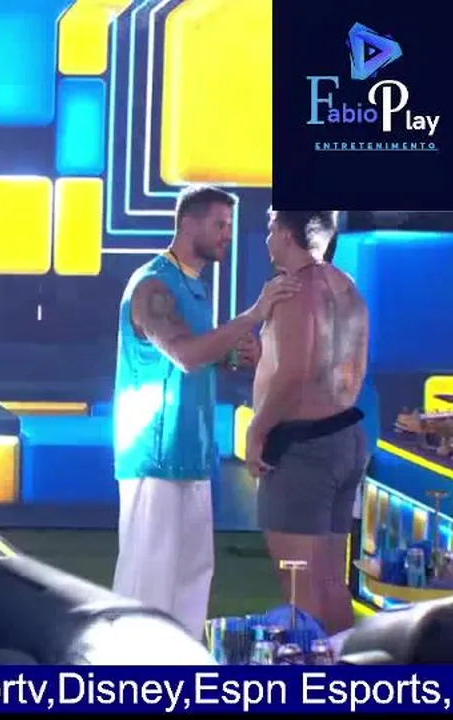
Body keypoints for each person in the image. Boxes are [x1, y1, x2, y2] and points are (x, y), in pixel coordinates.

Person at [111, 185, 300, 640]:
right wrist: (253, 314)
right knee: (148, 585)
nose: (227, 235)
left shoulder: (194, 286)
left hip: (193, 451)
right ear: (187, 224)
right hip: (154, 454)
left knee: (193, 580)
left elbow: (201, 353)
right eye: (219, 224)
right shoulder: (152, 284)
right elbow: (185, 354)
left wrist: (234, 355)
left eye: (230, 225)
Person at [246, 210, 369, 637]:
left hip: (304, 448)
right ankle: (342, 669)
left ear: (285, 233)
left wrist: (258, 429)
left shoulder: (294, 290)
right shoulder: (346, 286)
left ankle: (310, 673)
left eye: (270, 229)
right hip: (344, 434)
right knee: (330, 580)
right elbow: (337, 364)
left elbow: (297, 372)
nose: (267, 238)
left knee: (300, 584)